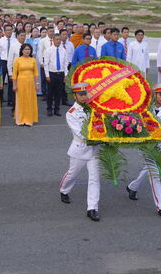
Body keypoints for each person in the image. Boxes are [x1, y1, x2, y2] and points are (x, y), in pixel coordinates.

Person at [126, 83, 161, 219]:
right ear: (155, 95)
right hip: (146, 147)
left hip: (160, 148)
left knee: (148, 169)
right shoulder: (145, 110)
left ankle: (132, 187)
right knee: (154, 175)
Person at [59, 82, 100, 222]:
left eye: (86, 94)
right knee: (72, 174)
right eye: (81, 94)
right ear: (74, 95)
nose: (84, 97)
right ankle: (64, 190)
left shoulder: (94, 107)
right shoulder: (71, 113)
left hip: (95, 149)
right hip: (80, 148)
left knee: (94, 178)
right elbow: (81, 133)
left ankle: (92, 208)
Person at [12, 43, 38, 126]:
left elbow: (36, 73)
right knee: (21, 100)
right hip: (21, 82)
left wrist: (37, 84)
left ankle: (29, 119)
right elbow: (14, 74)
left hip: (30, 83)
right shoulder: (17, 60)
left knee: (30, 100)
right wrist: (14, 85)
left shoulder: (33, 60)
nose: (27, 51)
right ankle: (20, 119)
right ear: (22, 50)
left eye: (28, 49)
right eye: (25, 49)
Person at [44, 34, 68, 117]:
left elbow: (65, 63)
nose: (58, 41)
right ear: (53, 40)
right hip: (51, 73)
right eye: (57, 39)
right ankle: (49, 109)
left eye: (59, 40)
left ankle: (57, 109)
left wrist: (66, 75)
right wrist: (47, 75)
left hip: (60, 74)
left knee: (58, 93)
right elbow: (46, 64)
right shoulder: (49, 50)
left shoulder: (64, 50)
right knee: (50, 93)